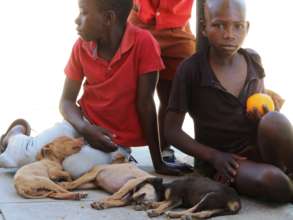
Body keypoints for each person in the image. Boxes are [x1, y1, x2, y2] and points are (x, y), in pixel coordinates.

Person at [0, 0, 191, 177]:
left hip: (114, 141)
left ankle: (120, 158)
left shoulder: (144, 43)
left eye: (83, 13)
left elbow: (146, 105)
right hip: (80, 123)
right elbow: (66, 101)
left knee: (75, 167)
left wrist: (158, 163)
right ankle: (15, 134)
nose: (76, 20)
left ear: (108, 19)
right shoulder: (81, 46)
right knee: (19, 159)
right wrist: (85, 127)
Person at [165, 0, 293, 202]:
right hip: (226, 161)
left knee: (275, 121)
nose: (229, 34)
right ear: (204, 27)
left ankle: (287, 172)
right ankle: (280, 177)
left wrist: (258, 116)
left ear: (247, 27)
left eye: (237, 26)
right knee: (274, 182)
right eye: (219, 25)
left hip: (256, 145)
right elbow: (171, 131)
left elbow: (262, 105)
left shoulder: (252, 60)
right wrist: (214, 157)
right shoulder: (191, 70)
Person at [128, 0, 196, 162]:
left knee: (173, 97)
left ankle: (164, 147)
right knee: (130, 93)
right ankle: (122, 147)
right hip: (139, 23)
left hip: (178, 27)